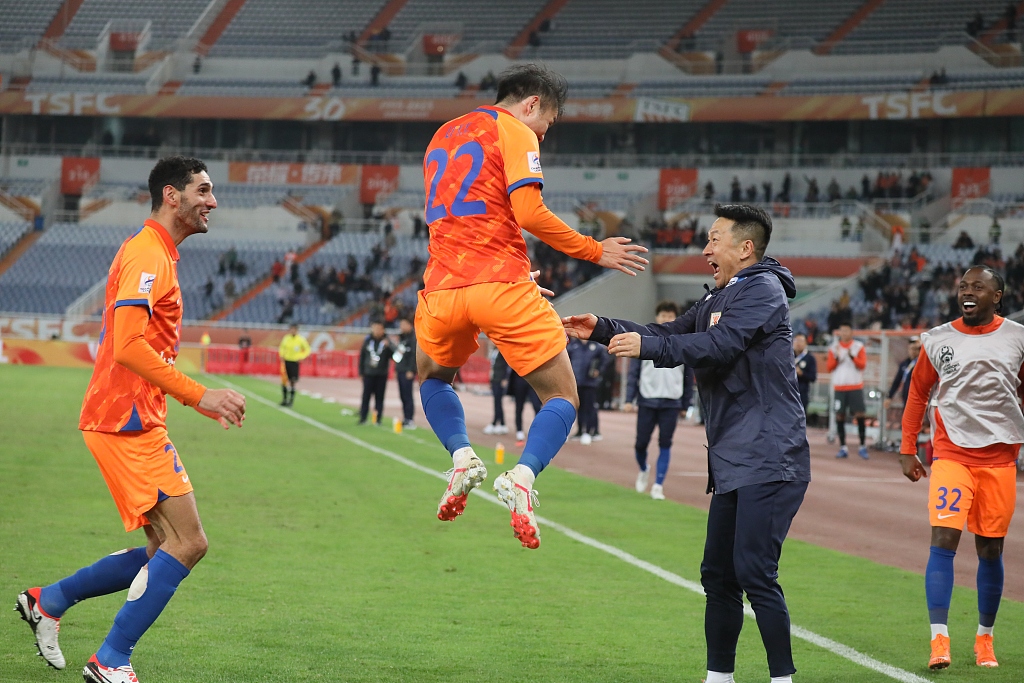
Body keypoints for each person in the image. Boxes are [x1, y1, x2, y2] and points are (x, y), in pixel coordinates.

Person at [15, 156, 246, 683]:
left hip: (128, 417)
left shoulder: (158, 253)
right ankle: (110, 659)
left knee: (163, 547)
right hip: (127, 421)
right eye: (203, 190)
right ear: (171, 195)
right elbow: (127, 347)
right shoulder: (148, 254)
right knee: (189, 543)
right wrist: (200, 396)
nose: (212, 201)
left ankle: (48, 601)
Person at [562, 203, 810, 683]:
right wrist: (603, 329)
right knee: (717, 575)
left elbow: (720, 346)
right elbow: (667, 331)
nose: (705, 249)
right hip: (735, 457)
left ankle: (783, 679)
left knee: (754, 572)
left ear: (746, 247)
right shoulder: (720, 295)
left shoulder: (763, 289)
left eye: (714, 239)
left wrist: (649, 348)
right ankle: (718, 677)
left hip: (771, 454)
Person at [414, 64, 647, 548]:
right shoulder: (515, 128)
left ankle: (461, 458)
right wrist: (593, 249)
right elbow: (528, 212)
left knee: (433, 379)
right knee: (563, 397)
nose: (545, 133)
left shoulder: (442, 134)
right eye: (549, 123)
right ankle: (520, 478)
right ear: (533, 104)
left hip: (441, 287)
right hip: (501, 284)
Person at [899, 266, 1024, 670]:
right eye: (963, 286)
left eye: (978, 287)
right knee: (943, 540)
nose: (967, 292)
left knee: (991, 548)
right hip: (951, 454)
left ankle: (984, 640)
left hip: (1001, 459)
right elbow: (918, 393)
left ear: (997, 295)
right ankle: (940, 639)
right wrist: (907, 447)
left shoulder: (1018, 338)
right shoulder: (938, 340)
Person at [623, 301, 693, 500]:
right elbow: (634, 373)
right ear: (657, 317)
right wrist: (629, 399)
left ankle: (658, 485)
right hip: (647, 399)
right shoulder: (645, 340)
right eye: (663, 315)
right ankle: (644, 468)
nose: (666, 319)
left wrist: (685, 403)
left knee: (665, 443)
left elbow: (689, 375)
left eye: (670, 316)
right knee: (640, 444)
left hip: (671, 401)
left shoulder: (681, 342)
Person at [828, 323, 869, 459]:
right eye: (842, 331)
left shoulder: (858, 347)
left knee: (860, 415)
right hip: (840, 387)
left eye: (847, 331)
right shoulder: (834, 348)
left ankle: (862, 445)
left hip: (855, 386)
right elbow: (829, 367)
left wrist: (852, 357)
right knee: (840, 416)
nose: (844, 333)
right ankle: (843, 447)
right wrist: (837, 358)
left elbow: (862, 365)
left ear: (852, 332)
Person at [567, 336, 606, 445]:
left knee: (590, 407)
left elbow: (604, 360)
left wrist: (598, 370)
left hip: (590, 383)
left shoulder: (596, 346)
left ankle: (590, 431)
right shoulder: (573, 346)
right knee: (578, 407)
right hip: (576, 382)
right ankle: (580, 431)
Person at [359, 320, 393, 425]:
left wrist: (390, 346)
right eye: (375, 328)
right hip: (369, 373)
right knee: (366, 396)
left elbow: (395, 357)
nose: (377, 331)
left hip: (381, 374)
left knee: (380, 398)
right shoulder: (368, 340)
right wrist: (361, 372)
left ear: (383, 330)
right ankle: (363, 418)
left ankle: (378, 419)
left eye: (379, 328)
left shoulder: (387, 341)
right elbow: (362, 357)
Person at [884, 335, 920, 411]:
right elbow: (897, 381)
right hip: (906, 396)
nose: (913, 351)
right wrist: (890, 396)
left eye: (916, 349)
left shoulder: (922, 364)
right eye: (911, 348)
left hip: (919, 397)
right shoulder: (904, 364)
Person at [394, 316, 418, 428]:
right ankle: (405, 417)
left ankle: (410, 418)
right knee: (402, 395)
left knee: (408, 395)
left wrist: (411, 370)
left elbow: (414, 356)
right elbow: (398, 355)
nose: (401, 327)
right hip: (400, 369)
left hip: (407, 371)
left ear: (410, 325)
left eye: (403, 324)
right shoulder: (402, 338)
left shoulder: (413, 339)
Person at [278, 323, 310, 407]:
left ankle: (291, 401)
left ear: (297, 330)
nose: (293, 331)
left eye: (294, 329)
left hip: (295, 362)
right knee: (284, 381)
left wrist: (301, 357)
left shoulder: (301, 339)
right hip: (286, 361)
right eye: (291, 329)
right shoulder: (286, 338)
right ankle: (284, 399)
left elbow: (307, 349)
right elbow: (282, 347)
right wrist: (281, 355)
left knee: (293, 381)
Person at [484, 346, 510, 435]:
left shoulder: (503, 351)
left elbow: (507, 365)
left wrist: (505, 378)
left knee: (498, 401)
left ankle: (495, 423)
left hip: (500, 380)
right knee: (497, 401)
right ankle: (502, 423)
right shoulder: (494, 351)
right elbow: (493, 366)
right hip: (495, 379)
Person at [793, 332, 817, 415]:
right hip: (787, 392)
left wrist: (801, 373)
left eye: (801, 341)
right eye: (796, 340)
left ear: (806, 343)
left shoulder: (810, 358)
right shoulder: (788, 356)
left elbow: (813, 377)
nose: (798, 343)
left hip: (802, 393)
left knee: (800, 419)